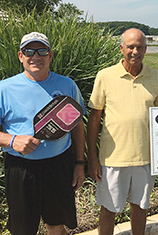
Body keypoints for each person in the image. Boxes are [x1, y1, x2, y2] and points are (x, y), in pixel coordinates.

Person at [0, 32, 86, 235]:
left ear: (50, 55)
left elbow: (77, 126)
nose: (35, 56)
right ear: (21, 56)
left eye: (42, 51)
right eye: (29, 51)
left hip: (58, 165)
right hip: (20, 169)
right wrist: (12, 140)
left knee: (56, 226)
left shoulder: (67, 85)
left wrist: (80, 164)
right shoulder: (4, 89)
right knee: (22, 230)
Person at [87, 28, 158, 235]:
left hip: (145, 158)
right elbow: (94, 119)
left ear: (146, 49)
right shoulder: (105, 76)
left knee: (140, 208)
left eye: (140, 47)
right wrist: (92, 159)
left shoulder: (156, 77)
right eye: (130, 47)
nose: (135, 51)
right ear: (121, 48)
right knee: (108, 210)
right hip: (113, 159)